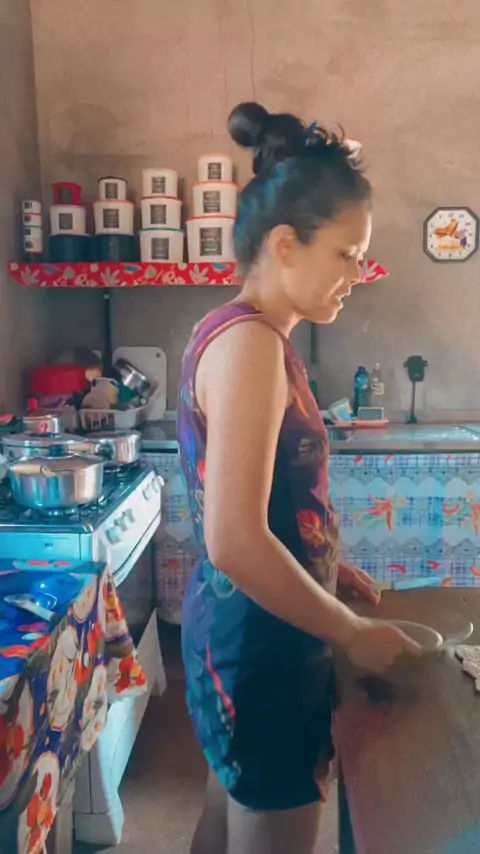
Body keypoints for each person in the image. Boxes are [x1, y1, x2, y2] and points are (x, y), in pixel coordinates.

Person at [177, 102, 420, 854]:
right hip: (263, 648)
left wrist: (320, 559)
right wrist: (351, 632)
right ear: (285, 244)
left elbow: (263, 502)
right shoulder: (251, 348)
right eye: (347, 254)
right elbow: (235, 541)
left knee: (227, 811)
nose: (358, 275)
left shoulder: (240, 333)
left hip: (245, 630)